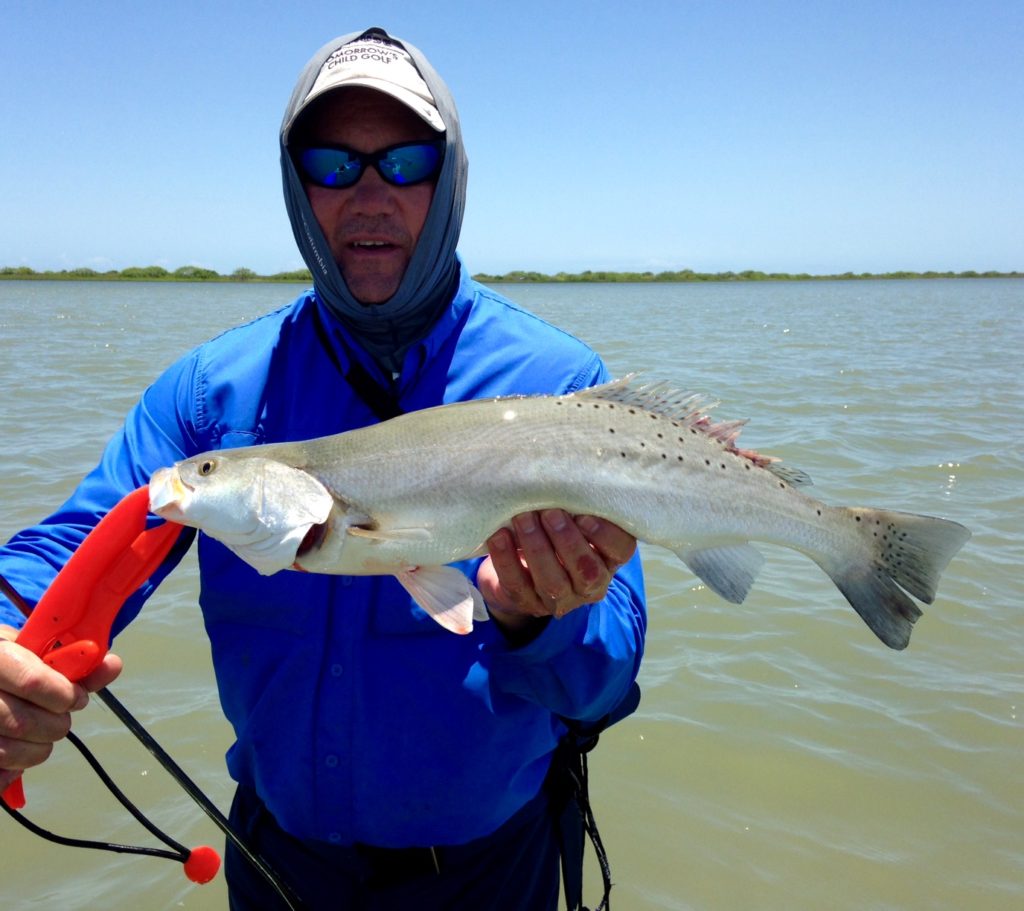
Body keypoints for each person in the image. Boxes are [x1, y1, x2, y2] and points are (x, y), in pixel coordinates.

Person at [0, 27, 646, 911]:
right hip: (277, 865)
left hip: (493, 873)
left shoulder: (558, 385)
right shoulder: (207, 398)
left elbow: (608, 684)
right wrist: (7, 634)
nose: (370, 196)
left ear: (451, 177)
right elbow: (84, 544)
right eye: (333, 165)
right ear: (295, 185)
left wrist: (537, 620)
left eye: (406, 161)